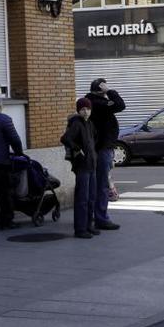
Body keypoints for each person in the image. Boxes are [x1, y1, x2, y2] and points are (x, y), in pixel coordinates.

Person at [85, 78, 125, 232]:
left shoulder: (93, 102)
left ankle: (93, 216)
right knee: (101, 185)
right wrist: (110, 92)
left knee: (97, 184)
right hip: (101, 149)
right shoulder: (98, 103)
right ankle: (101, 218)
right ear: (101, 89)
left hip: (101, 148)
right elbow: (120, 105)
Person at [61, 98, 99, 239]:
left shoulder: (90, 124)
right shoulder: (76, 123)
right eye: (83, 109)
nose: (86, 111)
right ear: (78, 110)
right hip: (82, 166)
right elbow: (65, 138)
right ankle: (80, 229)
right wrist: (77, 149)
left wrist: (93, 154)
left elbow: (94, 140)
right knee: (82, 198)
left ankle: (89, 226)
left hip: (92, 165)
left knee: (91, 197)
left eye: (88, 109)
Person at [0, 97, 23, 229]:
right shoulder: (4, 119)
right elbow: (15, 140)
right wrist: (19, 153)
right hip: (0, 162)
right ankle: (6, 220)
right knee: (4, 192)